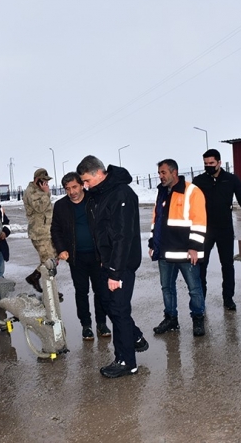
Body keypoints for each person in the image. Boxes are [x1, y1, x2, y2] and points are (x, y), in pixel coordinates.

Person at [77, 155, 147, 378]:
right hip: (107, 262)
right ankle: (134, 337)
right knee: (109, 304)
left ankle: (127, 362)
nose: (85, 186)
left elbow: (122, 236)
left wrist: (115, 272)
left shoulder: (120, 194)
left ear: (99, 173)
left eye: (87, 180)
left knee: (118, 309)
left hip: (121, 263)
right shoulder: (100, 194)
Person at [192, 148, 241, 310]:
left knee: (227, 265)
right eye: (206, 163)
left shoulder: (231, 180)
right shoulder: (199, 181)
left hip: (225, 230)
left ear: (219, 163)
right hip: (204, 231)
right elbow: (190, 205)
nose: (208, 166)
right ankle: (201, 299)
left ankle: (228, 298)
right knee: (201, 265)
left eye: (211, 163)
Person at [149, 159, 207, 337]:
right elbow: (156, 219)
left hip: (186, 251)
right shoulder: (162, 192)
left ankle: (198, 319)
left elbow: (199, 220)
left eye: (163, 172)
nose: (160, 176)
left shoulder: (191, 191)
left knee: (194, 288)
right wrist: (153, 243)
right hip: (165, 251)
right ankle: (171, 319)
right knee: (167, 288)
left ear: (174, 172)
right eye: (159, 173)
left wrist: (194, 247)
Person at [51, 172, 111, 341]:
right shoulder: (61, 206)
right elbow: (55, 230)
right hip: (76, 258)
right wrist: (61, 249)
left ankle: (101, 323)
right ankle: (86, 325)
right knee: (81, 292)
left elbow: (106, 224)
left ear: (82, 185)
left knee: (100, 291)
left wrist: (106, 251)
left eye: (75, 187)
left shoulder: (94, 200)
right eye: (68, 189)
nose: (72, 192)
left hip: (97, 256)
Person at [23, 168, 57, 292]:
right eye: (43, 181)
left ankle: (35, 276)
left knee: (54, 258)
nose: (46, 184)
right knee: (48, 262)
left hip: (47, 231)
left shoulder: (39, 191)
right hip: (39, 233)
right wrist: (46, 193)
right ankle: (50, 292)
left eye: (47, 182)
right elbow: (40, 208)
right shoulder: (31, 192)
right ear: (37, 180)